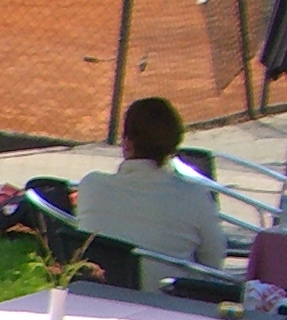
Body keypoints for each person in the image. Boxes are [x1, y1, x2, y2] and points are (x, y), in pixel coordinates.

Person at [75, 97, 229, 284]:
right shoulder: (194, 195)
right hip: (168, 298)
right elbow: (213, 263)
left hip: (98, 295)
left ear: (127, 143)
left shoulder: (91, 186)